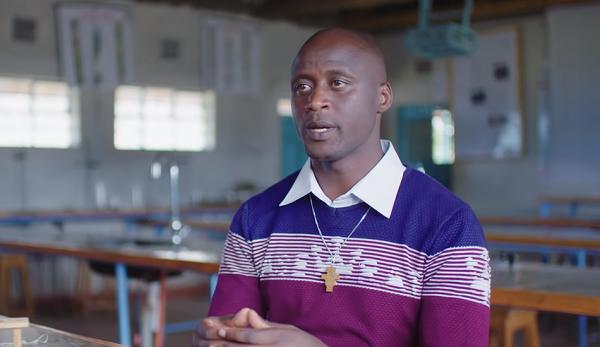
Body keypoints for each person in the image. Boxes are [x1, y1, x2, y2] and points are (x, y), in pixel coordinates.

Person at [192, 27, 490, 347]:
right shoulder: (255, 218)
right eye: (302, 87)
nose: (315, 101)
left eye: (338, 83)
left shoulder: (448, 224)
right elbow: (230, 334)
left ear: (382, 97)